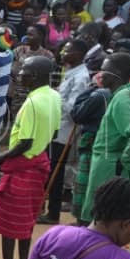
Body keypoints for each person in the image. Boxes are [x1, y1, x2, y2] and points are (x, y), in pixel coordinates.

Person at [0, 56, 61, 259]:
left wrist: (2, 158)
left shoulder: (33, 103)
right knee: (26, 225)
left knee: (9, 226)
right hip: (39, 163)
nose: (19, 74)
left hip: (23, 167)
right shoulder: (53, 96)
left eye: (23, 71)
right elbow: (52, 133)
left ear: (34, 76)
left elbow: (25, 142)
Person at [79, 52, 130, 222]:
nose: (99, 74)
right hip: (124, 166)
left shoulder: (123, 99)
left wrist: (124, 162)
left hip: (111, 166)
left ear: (117, 74)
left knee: (103, 217)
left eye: (104, 70)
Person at [42, 40, 91, 223]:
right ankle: (49, 210)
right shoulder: (71, 72)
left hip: (64, 131)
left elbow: (73, 107)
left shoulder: (81, 77)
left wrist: (54, 98)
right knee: (52, 170)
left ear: (78, 54)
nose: (63, 53)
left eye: (68, 50)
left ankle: (53, 214)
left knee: (56, 172)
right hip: (56, 127)